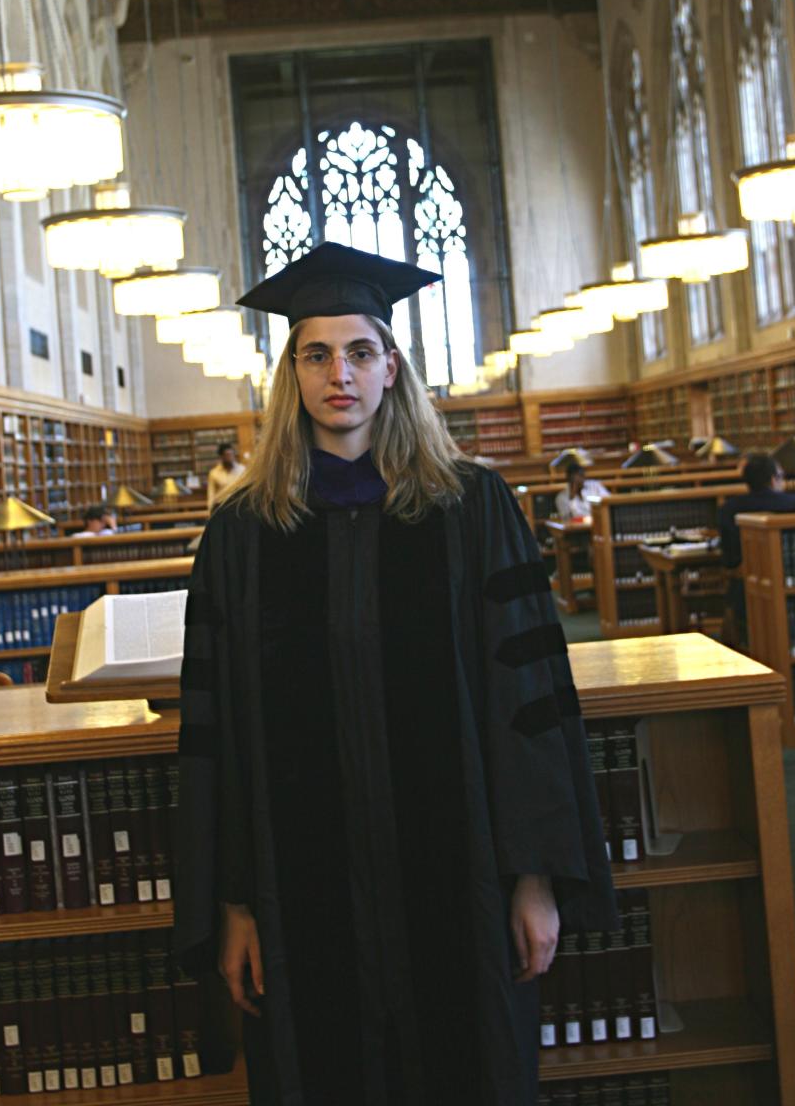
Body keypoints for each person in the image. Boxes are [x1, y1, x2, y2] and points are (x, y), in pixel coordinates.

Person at [175, 243, 616, 1106]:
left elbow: (526, 705)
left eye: (360, 351)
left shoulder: (472, 508)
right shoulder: (241, 537)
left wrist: (533, 879)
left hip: (464, 882)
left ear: (391, 370)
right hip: (299, 905)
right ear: (291, 376)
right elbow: (217, 736)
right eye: (316, 353)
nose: (339, 373)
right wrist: (235, 903)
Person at [718, 451, 795, 575]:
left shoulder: (729, 508)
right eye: (781, 476)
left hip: (748, 577)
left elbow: (729, 559)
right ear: (773, 480)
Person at [207, 442, 246, 511]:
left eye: (231, 454)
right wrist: (210, 509)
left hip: (238, 506)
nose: (230, 457)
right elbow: (211, 494)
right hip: (221, 506)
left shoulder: (242, 470)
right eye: (227, 455)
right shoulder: (214, 473)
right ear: (221, 457)